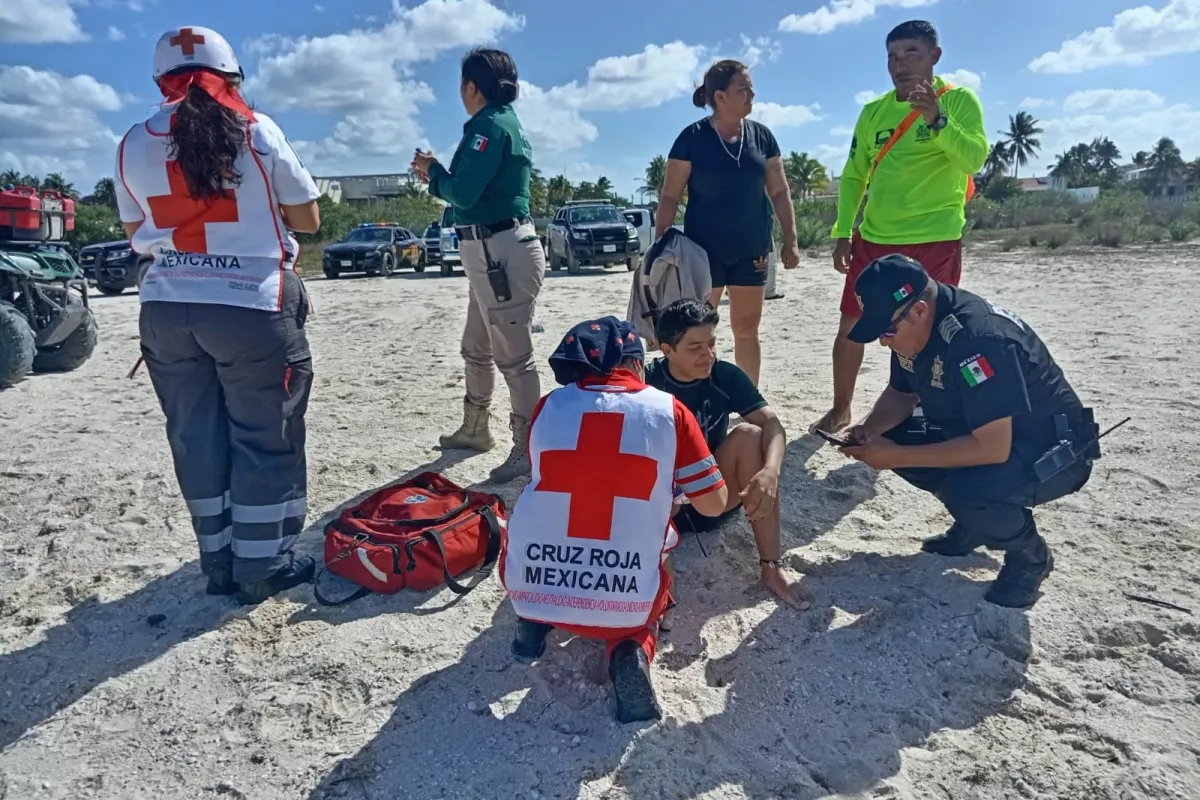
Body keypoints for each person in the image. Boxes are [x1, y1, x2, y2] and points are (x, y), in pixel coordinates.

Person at [114, 26, 321, 603]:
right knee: (265, 435)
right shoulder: (256, 129)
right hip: (250, 305)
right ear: (231, 78)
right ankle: (260, 565)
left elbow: (136, 231)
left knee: (194, 436)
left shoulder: (132, 140)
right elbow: (306, 219)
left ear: (162, 82)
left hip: (166, 308)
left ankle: (218, 560)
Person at [499, 316, 729, 723]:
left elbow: (549, 477)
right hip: (623, 596)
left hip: (531, 581)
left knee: (540, 534)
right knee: (651, 585)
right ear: (637, 364)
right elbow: (713, 504)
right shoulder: (667, 410)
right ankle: (630, 650)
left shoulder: (548, 406)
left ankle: (531, 628)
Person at [835, 254, 1095, 608]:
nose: (884, 342)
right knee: (893, 436)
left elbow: (992, 448)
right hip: (987, 431)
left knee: (968, 490)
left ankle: (1029, 557)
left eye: (887, 331)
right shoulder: (913, 327)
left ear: (920, 311)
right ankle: (975, 523)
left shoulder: (978, 340)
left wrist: (895, 457)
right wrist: (868, 431)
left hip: (1051, 450)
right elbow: (901, 394)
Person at [811, 20, 988, 435]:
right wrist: (842, 231)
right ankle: (841, 409)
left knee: (928, 330)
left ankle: (927, 410)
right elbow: (855, 174)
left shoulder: (959, 101)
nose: (900, 65)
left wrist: (936, 119)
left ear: (934, 57)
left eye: (912, 53)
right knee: (851, 325)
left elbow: (973, 159)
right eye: (893, 56)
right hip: (875, 240)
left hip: (936, 237)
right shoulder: (874, 112)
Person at [411, 47, 545, 483]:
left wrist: (432, 172)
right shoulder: (507, 122)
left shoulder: (488, 126)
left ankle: (526, 449)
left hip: (497, 251)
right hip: (492, 250)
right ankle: (476, 428)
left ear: (472, 87)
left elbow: (464, 194)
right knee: (478, 345)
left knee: (514, 357)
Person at [646, 299, 812, 609]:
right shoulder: (647, 378)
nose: (707, 353)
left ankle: (772, 567)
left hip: (712, 498)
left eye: (712, 342)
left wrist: (771, 472)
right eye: (695, 347)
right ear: (666, 349)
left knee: (752, 435)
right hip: (658, 503)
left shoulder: (724, 376)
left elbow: (773, 424)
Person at [656, 59, 800, 387]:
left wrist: (790, 237)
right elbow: (670, 196)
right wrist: (661, 243)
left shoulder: (762, 137)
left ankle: (747, 398)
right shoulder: (691, 138)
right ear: (720, 97)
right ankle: (701, 393)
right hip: (702, 254)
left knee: (747, 330)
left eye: (750, 88)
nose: (752, 94)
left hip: (753, 248)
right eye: (743, 89)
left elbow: (778, 191)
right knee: (699, 332)